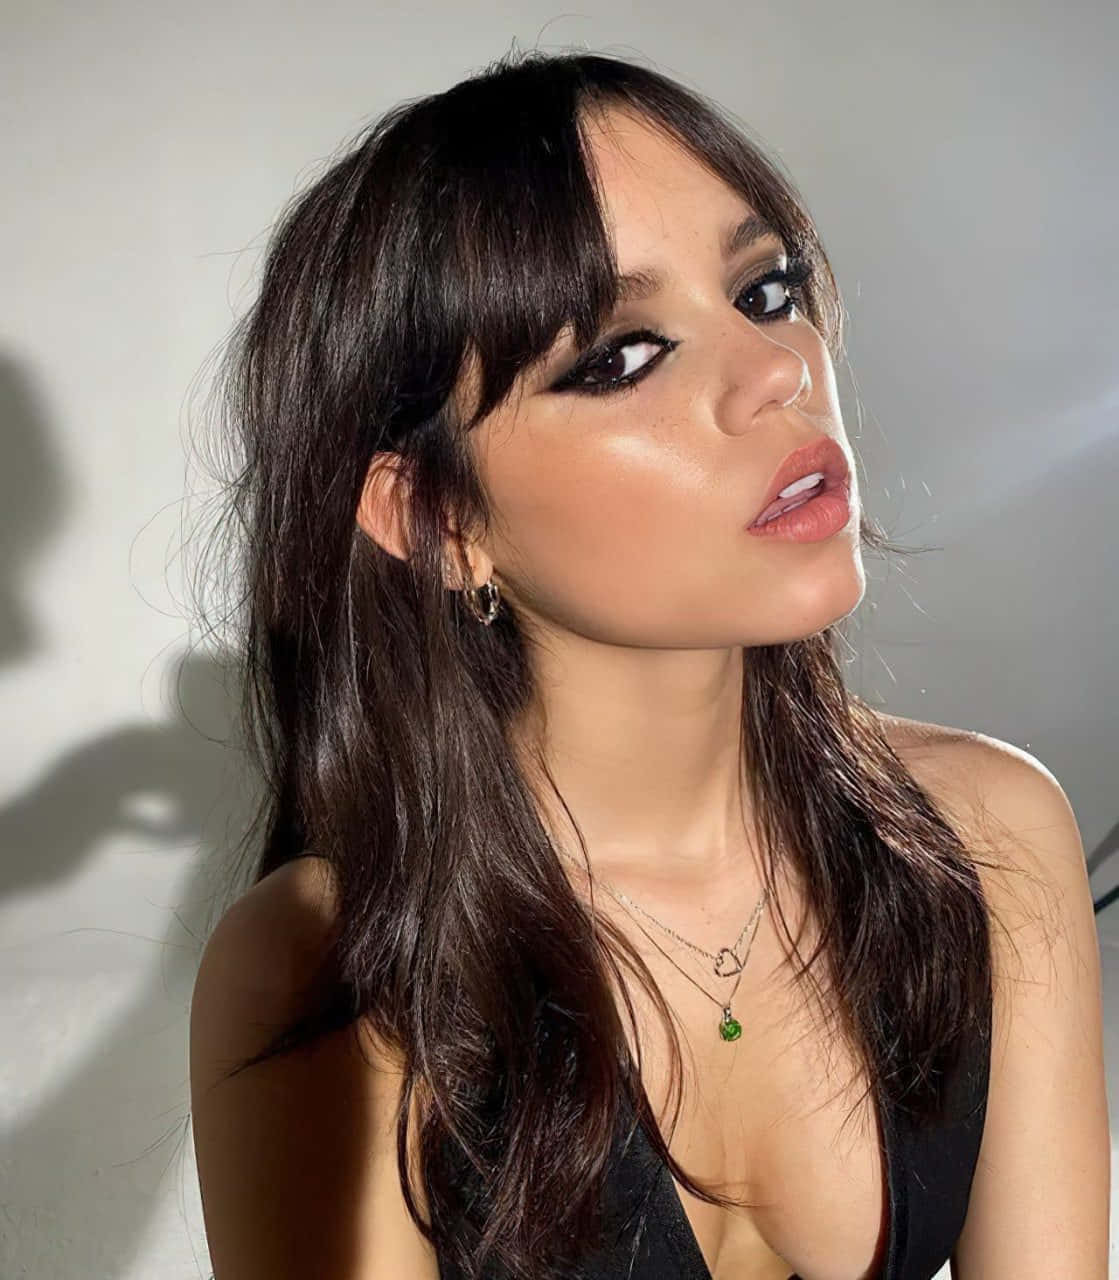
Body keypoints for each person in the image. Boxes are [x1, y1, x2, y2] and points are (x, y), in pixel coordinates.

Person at [186, 47, 1109, 1280]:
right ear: (436, 520)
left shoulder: (987, 837)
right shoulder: (338, 961)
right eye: (622, 355)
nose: (780, 370)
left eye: (765, 290)